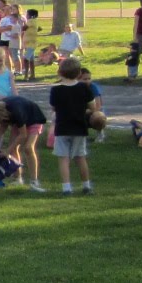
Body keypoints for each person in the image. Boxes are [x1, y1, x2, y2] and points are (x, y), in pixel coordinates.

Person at [48, 56, 96, 194]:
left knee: (63, 158)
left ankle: (66, 188)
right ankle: (86, 186)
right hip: (79, 127)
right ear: (79, 73)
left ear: (60, 72)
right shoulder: (84, 87)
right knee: (80, 157)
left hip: (62, 127)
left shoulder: (56, 90)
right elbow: (93, 107)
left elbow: (53, 108)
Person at [0, 95, 48, 191]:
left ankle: (34, 181)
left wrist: (7, 151)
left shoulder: (16, 111)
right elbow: (3, 126)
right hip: (18, 123)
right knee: (13, 149)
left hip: (34, 119)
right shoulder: (2, 111)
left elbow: (23, 135)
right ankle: (18, 178)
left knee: (28, 148)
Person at [20, 10, 41, 81]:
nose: (26, 15)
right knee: (31, 60)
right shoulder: (35, 21)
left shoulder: (31, 21)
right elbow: (39, 28)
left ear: (31, 16)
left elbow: (24, 28)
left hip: (30, 44)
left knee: (26, 59)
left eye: (27, 14)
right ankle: (32, 75)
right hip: (30, 43)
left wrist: (20, 24)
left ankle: (26, 75)